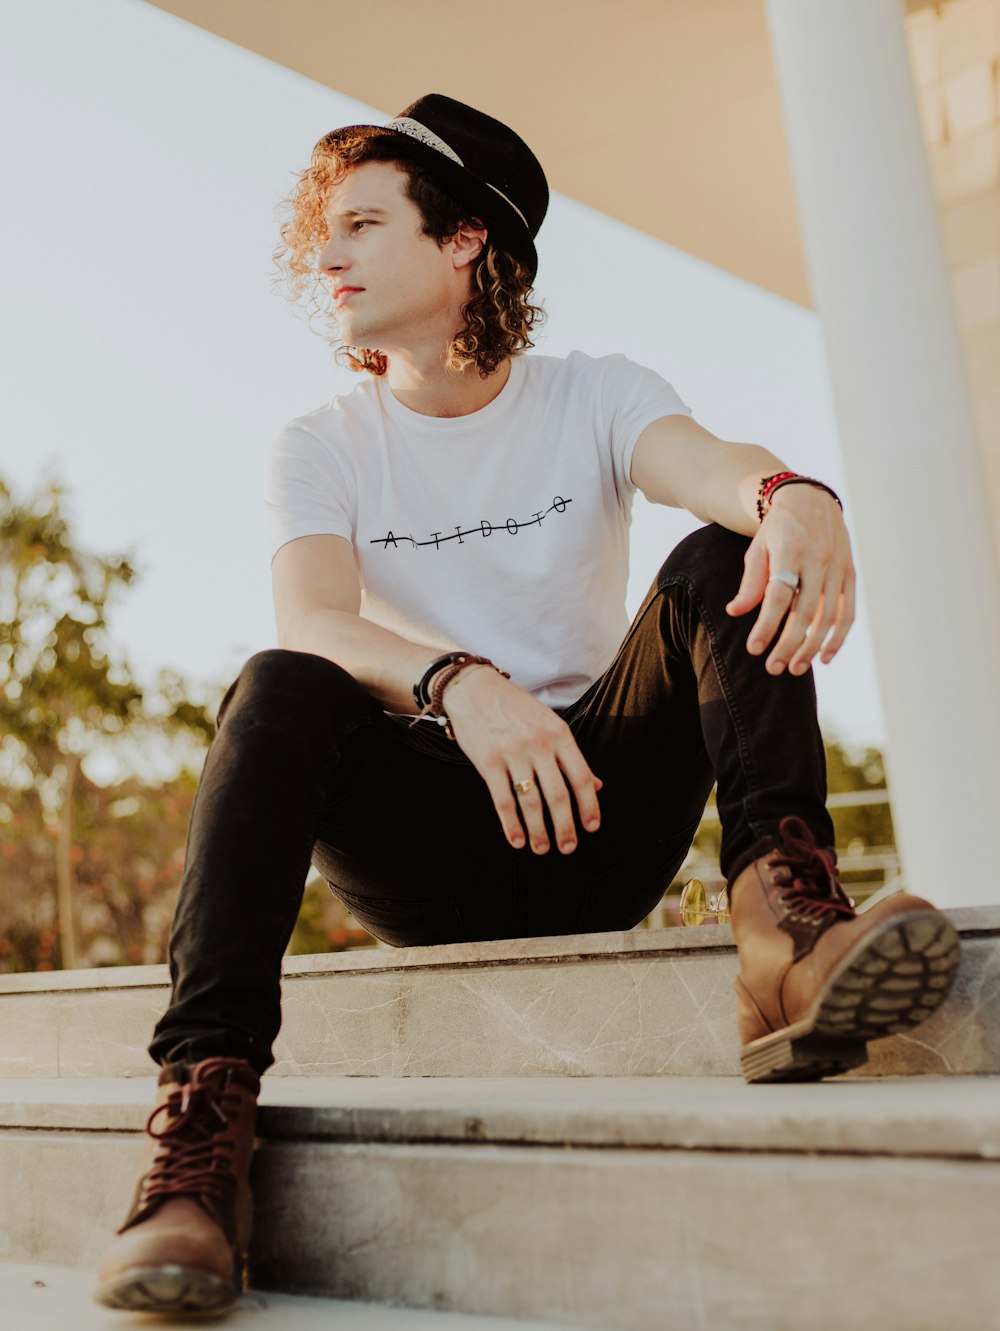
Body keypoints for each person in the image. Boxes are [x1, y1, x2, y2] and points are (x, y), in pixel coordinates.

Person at [95, 94, 961, 1316]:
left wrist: (786, 489)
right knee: (281, 682)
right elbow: (317, 621)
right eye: (319, 231)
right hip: (426, 840)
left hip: (596, 814)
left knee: (724, 550)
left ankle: (787, 931)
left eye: (359, 222)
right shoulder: (323, 441)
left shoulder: (589, 394)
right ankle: (198, 1135)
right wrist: (460, 682)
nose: (322, 254)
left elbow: (701, 465)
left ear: (460, 241)